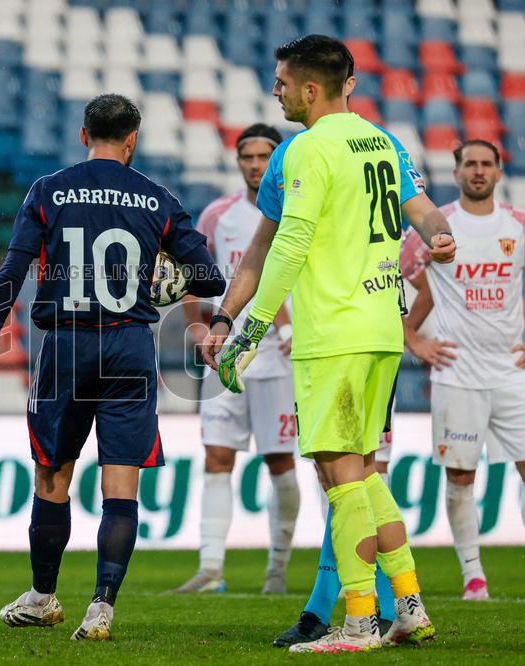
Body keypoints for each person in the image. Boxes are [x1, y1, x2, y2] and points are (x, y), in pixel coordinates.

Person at [201, 35, 456, 652]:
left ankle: (360, 622)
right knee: (366, 474)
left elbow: (286, 247)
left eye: (282, 82)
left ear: (310, 89)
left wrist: (251, 330)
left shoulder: (307, 150)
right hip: (378, 327)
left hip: (333, 333)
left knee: (340, 477)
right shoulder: (380, 141)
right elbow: (423, 211)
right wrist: (441, 233)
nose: (275, 91)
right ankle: (411, 608)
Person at [0, 94, 225, 641]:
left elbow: (12, 270)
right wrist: (170, 283)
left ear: (84, 135)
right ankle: (101, 606)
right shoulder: (156, 199)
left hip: (65, 346)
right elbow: (209, 277)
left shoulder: (49, 191)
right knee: (120, 481)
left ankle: (42, 595)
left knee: (53, 473)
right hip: (129, 345)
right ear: (133, 139)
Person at [401, 139, 525, 602]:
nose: (478, 171)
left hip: (513, 370)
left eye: (486, 164)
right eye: (469, 164)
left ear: (498, 171)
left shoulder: (520, 224)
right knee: (460, 476)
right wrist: (412, 337)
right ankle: (473, 577)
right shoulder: (436, 224)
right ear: (456, 173)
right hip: (457, 372)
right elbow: (403, 280)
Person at [171, 123, 300, 596]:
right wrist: (197, 325)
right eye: (247, 157)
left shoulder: (297, 211)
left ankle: (277, 571)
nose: (254, 165)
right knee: (217, 457)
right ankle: (210, 570)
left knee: (280, 461)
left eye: (264, 157)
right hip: (224, 354)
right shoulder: (218, 215)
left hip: (279, 360)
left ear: (277, 162)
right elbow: (192, 272)